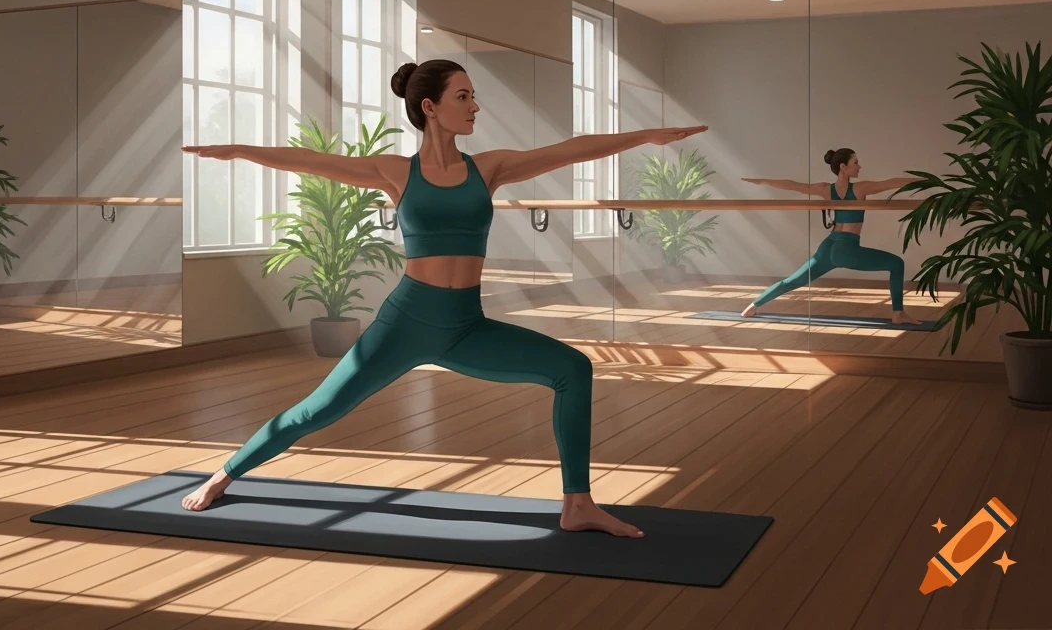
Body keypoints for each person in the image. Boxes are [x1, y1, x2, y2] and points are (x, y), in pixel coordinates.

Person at [180, 58, 706, 537]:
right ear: (430, 107)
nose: (475, 106)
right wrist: (237, 150)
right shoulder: (394, 172)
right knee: (316, 412)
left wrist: (643, 136)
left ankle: (578, 504)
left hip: (465, 327)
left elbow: (567, 150)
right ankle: (224, 475)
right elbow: (310, 161)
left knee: (573, 368)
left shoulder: (489, 169)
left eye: (474, 96)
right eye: (463, 96)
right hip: (404, 322)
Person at [740, 148, 919, 324]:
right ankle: (898, 313)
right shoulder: (861, 189)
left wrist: (762, 181)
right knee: (897, 264)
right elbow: (891, 183)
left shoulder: (825, 189)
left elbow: (793, 185)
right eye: (855, 162)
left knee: (792, 281)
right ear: (843, 166)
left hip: (828, 246)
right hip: (846, 249)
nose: (859, 166)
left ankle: (753, 306)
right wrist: (923, 180)